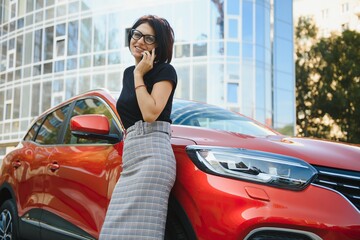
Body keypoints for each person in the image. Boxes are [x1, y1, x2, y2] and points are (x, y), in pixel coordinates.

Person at [99, 15, 177, 240]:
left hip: (153, 156)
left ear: (159, 46)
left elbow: (150, 113)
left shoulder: (165, 71)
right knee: (112, 233)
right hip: (131, 158)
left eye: (149, 38)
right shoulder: (128, 74)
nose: (140, 41)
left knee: (141, 234)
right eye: (137, 34)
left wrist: (139, 74)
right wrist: (135, 74)